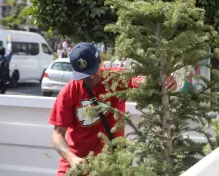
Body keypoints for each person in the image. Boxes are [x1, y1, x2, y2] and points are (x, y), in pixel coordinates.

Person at [48, 43, 178, 175]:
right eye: (85, 76)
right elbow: (57, 134)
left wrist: (164, 82)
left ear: (100, 62)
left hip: (110, 167)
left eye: (93, 72)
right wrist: (71, 158)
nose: (90, 79)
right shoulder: (69, 92)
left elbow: (141, 82)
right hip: (77, 167)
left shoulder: (115, 78)